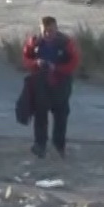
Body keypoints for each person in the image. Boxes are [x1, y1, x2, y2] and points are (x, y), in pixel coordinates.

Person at [20, 15, 80, 159]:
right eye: (45, 31)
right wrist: (36, 64)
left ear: (56, 29)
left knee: (61, 115)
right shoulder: (34, 42)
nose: (48, 34)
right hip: (41, 83)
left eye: (51, 31)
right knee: (40, 114)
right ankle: (40, 145)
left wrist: (58, 68)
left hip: (60, 83)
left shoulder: (66, 43)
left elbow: (74, 61)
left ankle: (59, 145)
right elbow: (26, 58)